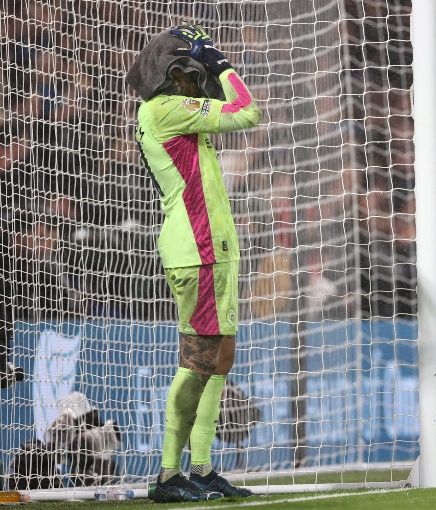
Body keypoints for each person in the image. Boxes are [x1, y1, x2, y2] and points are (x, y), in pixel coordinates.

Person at [126, 23, 260, 502]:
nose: (196, 83)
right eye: (189, 73)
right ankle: (167, 474)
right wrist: (223, 66)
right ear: (168, 76)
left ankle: (200, 467)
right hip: (197, 250)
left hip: (213, 249)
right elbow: (247, 112)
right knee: (198, 361)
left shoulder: (173, 114)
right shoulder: (163, 110)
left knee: (218, 359)